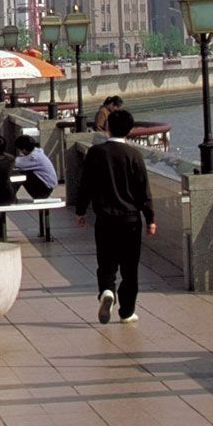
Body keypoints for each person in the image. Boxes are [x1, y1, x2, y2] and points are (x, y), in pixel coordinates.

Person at [73, 109, 156, 324]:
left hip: (105, 219)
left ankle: (107, 290)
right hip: (130, 219)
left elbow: (86, 185)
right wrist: (151, 218)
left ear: (107, 127)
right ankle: (127, 311)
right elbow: (143, 191)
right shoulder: (134, 155)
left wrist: (81, 211)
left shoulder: (96, 153)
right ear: (130, 130)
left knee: (106, 261)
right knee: (130, 268)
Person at [11, 134, 58, 199]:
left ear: (24, 149)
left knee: (21, 175)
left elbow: (14, 163)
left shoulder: (34, 157)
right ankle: (11, 195)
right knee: (21, 173)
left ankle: (10, 195)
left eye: (20, 150)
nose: (21, 152)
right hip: (47, 186)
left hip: (44, 189)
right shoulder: (37, 153)